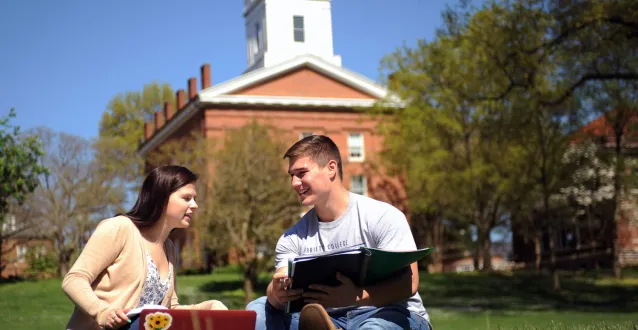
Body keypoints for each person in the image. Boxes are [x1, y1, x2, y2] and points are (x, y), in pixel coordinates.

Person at [246, 135, 431, 330]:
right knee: (258, 308)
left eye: (301, 173)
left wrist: (357, 296)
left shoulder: (382, 216)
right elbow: (278, 285)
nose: (294, 183)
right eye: (291, 175)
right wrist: (277, 291)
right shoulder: (291, 237)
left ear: (331, 168)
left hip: (387, 311)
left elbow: (409, 283)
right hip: (324, 316)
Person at [62, 165, 227, 330]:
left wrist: (209, 306)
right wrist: (102, 312)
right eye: (186, 198)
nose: (195, 205)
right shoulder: (120, 228)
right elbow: (74, 279)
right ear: (162, 199)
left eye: (195, 198)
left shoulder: (169, 249)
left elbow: (170, 311)